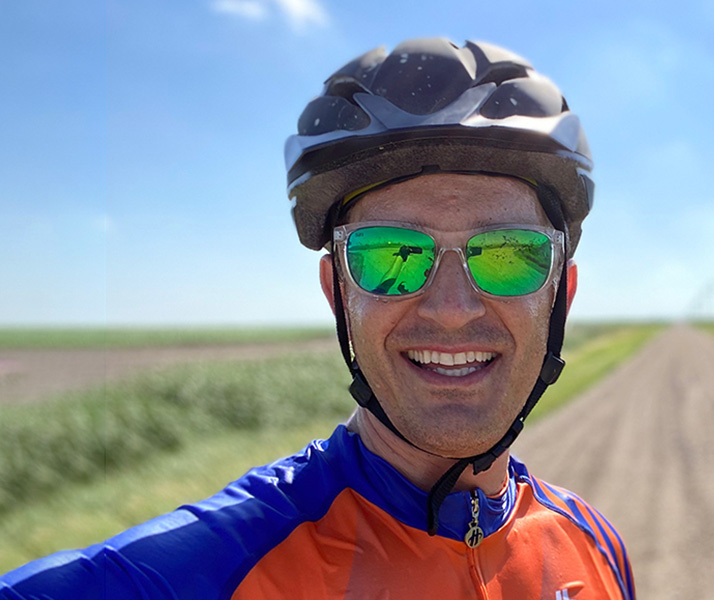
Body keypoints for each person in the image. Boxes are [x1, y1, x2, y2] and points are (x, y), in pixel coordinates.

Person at [0, 37, 635, 599]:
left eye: (506, 256)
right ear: (338, 293)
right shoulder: (214, 571)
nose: (450, 310)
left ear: (561, 297)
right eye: (392, 255)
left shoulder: (597, 552)